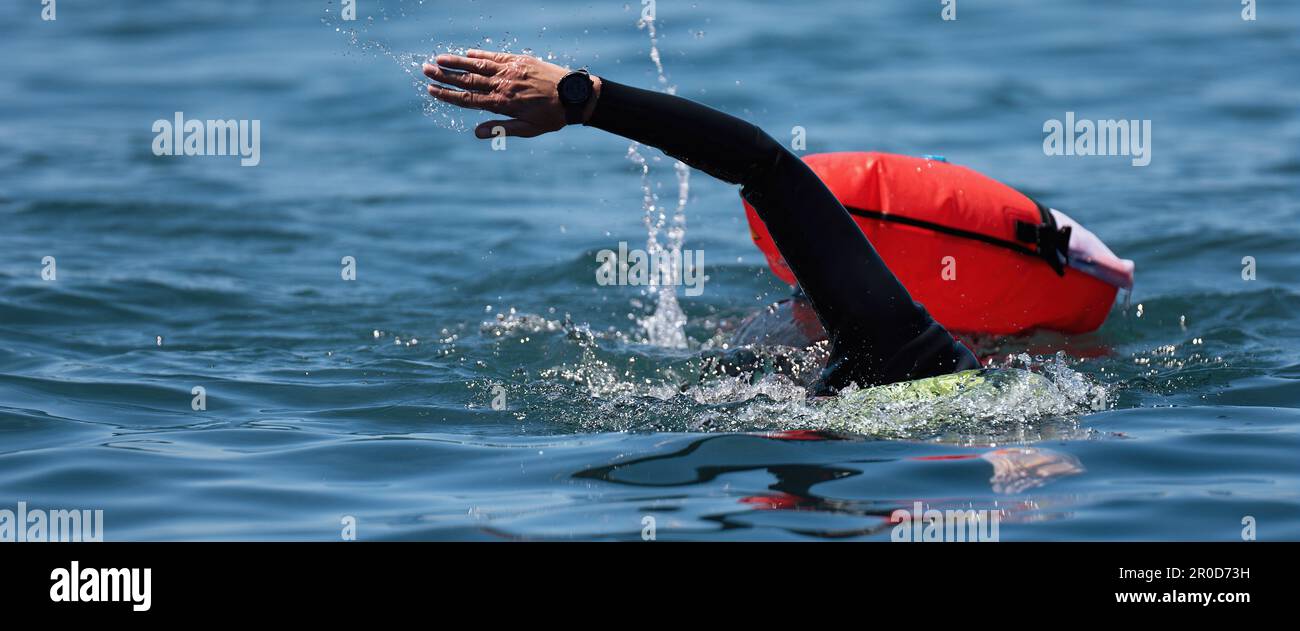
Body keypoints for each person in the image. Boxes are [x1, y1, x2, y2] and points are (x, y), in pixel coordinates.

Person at [423, 50, 979, 396]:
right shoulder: (831, 354)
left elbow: (764, 163)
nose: (791, 298)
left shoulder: (898, 351)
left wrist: (585, 99)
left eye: (808, 283)